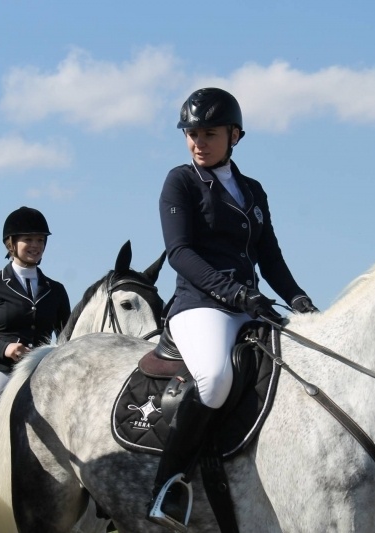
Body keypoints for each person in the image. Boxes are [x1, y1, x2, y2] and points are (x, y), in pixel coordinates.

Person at [149, 88, 318, 530]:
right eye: (191, 133)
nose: (198, 142)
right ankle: (169, 486)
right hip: (200, 305)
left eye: (208, 133)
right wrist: (236, 294)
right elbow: (180, 253)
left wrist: (299, 300)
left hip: (250, 305)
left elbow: (270, 256)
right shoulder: (180, 181)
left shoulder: (253, 190)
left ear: (234, 135)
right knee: (217, 378)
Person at [0, 206, 70, 414]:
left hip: (44, 371)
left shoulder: (56, 290)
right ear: (11, 244)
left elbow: (67, 337)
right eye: (28, 240)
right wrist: (5, 349)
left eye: (40, 240)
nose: (36, 245)